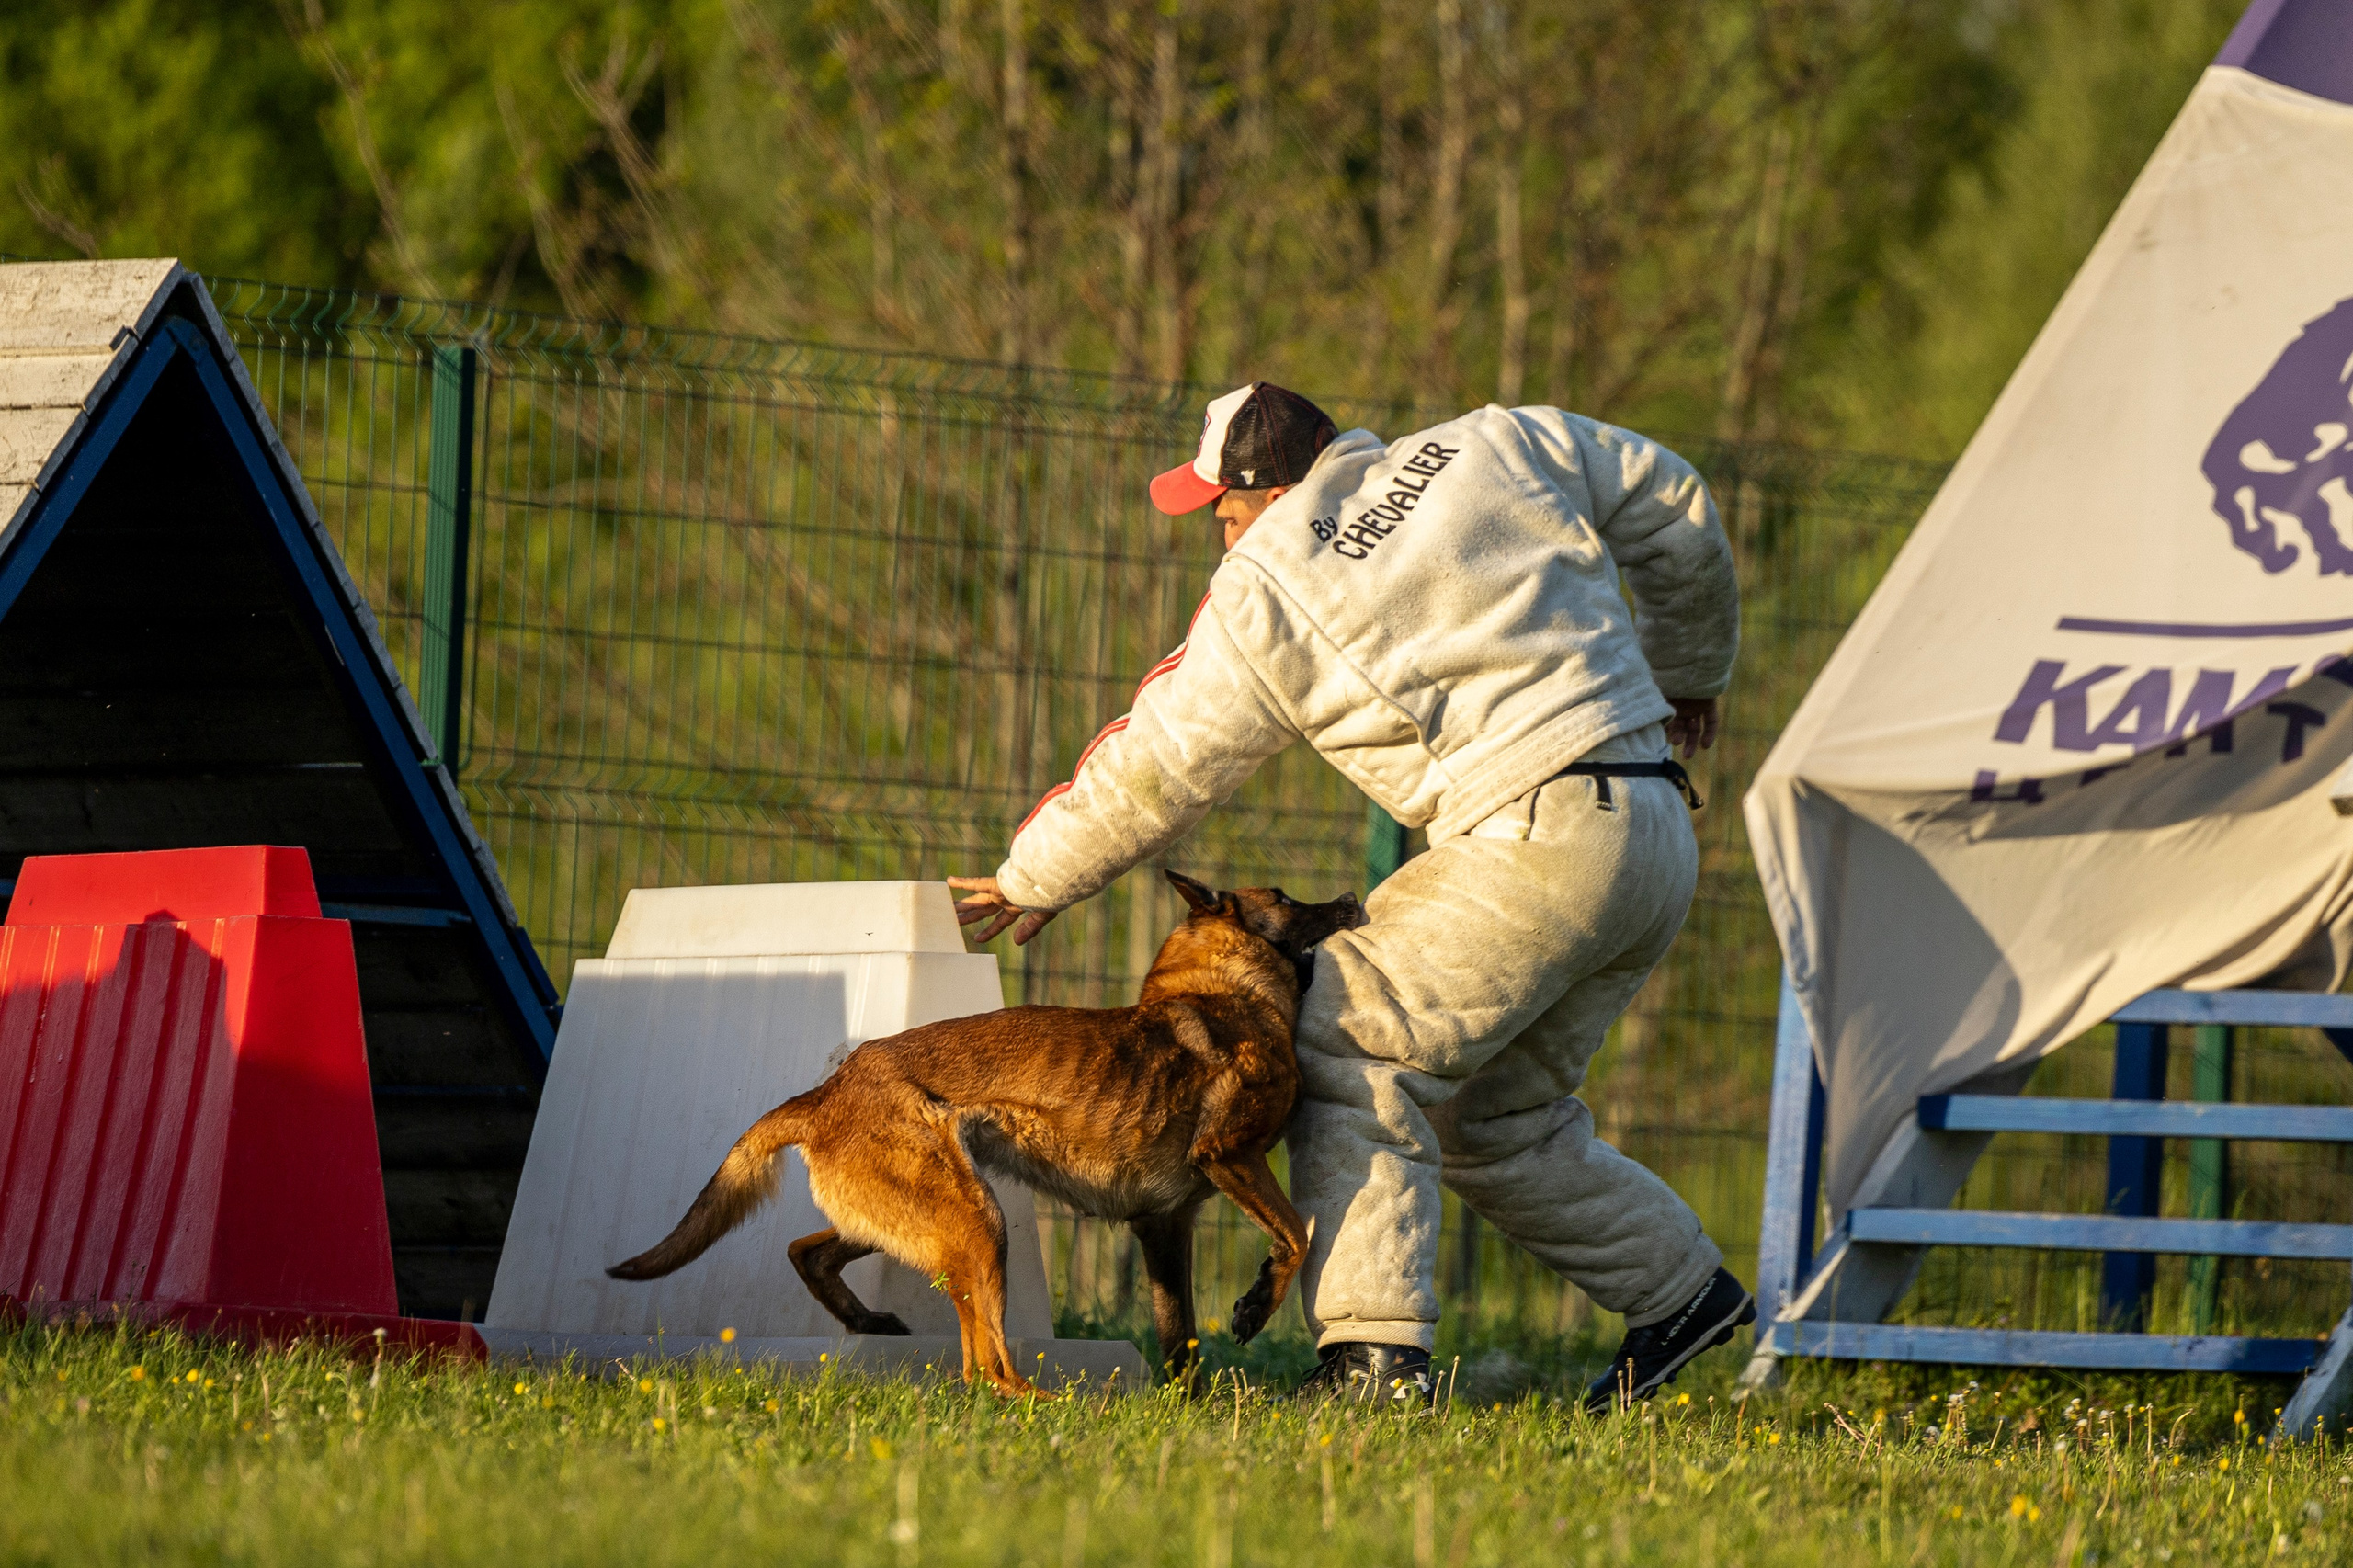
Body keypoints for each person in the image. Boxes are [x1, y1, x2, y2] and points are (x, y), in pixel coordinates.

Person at [949, 381, 1750, 1410]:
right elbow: (1672, 496)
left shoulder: (1269, 581)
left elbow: (1160, 756)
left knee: (1339, 1039)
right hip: (1651, 826)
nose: (1221, 533)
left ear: (1264, 492)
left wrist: (1034, 874)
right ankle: (1678, 1290)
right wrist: (1689, 670)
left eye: (1221, 511)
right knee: (1492, 1118)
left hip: (1530, 837)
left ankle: (1372, 1361)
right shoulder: (1495, 442)